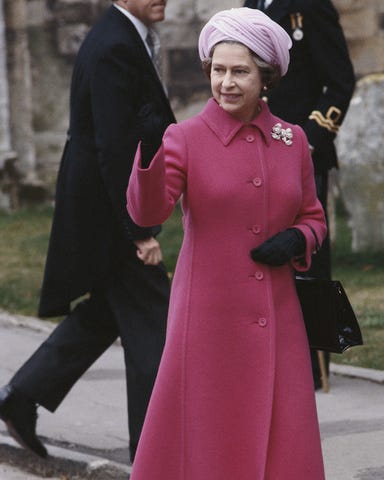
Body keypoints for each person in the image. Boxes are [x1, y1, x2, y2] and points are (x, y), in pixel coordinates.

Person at [127, 7, 328, 479]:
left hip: (278, 319)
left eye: (240, 71)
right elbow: (148, 212)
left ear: (267, 77)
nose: (227, 83)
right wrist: (149, 156)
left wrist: (299, 237)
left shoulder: (292, 139)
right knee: (208, 440)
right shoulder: (186, 138)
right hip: (207, 322)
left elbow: (314, 216)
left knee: (283, 442)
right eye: (219, 70)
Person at [0, 0, 175, 462]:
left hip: (103, 210)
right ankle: (153, 456)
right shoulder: (115, 43)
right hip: (111, 216)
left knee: (110, 314)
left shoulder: (121, 35)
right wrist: (139, 228)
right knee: (155, 324)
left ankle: (22, 396)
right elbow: (115, 147)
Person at [245, 0, 356, 389]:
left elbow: (341, 81)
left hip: (304, 153)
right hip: (257, 150)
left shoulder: (312, 6)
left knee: (311, 257)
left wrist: (308, 140)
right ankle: (269, 351)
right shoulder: (253, 4)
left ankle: (318, 362)